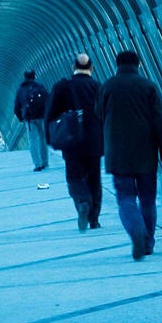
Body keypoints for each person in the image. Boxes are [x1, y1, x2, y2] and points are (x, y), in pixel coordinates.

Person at [98, 49, 162, 259]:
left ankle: (136, 231)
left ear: (116, 64)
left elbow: (99, 117)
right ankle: (148, 241)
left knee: (125, 198)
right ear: (138, 64)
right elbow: (161, 123)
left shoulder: (107, 87)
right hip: (146, 154)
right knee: (148, 199)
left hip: (118, 154)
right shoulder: (148, 86)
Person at [45, 53, 104, 230]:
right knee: (94, 178)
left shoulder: (62, 87)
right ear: (92, 68)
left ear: (73, 67)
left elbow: (50, 114)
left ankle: (82, 201)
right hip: (94, 142)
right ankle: (94, 219)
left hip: (71, 141)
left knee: (74, 177)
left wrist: (51, 138)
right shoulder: (98, 87)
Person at [14, 69, 50, 171]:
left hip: (29, 119)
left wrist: (21, 117)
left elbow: (16, 106)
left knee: (32, 141)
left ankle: (37, 164)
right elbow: (48, 100)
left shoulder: (21, 90)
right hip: (42, 117)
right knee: (43, 139)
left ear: (25, 77)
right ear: (34, 76)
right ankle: (45, 162)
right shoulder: (40, 87)